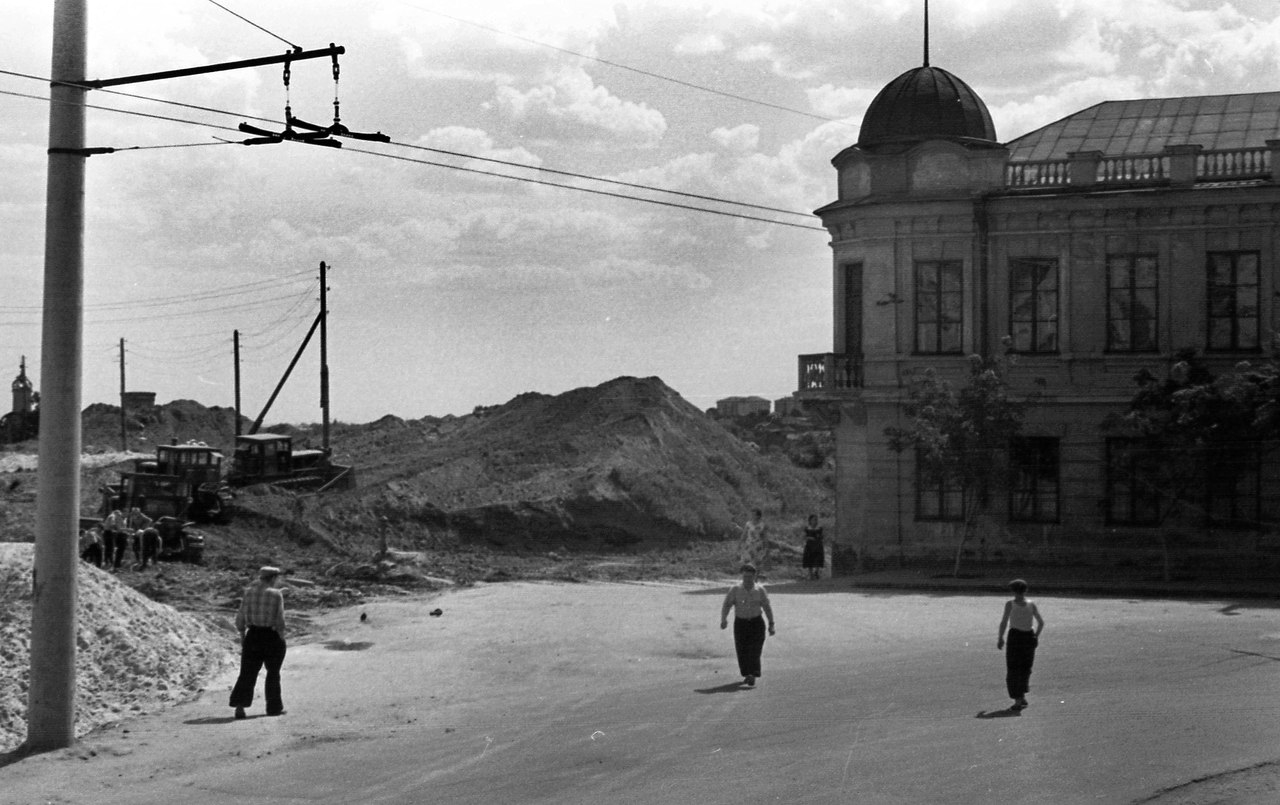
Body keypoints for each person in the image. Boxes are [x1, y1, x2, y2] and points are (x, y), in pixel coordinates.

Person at [229, 566, 288, 719]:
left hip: (253, 635)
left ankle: (240, 706)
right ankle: (273, 708)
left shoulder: (248, 593)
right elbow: (280, 620)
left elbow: (240, 617)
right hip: (271, 636)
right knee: (273, 673)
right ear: (273, 578)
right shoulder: (276, 595)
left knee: (247, 673)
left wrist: (243, 634)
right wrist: (281, 636)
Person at [720, 563, 775, 687]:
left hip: (756, 623)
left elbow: (767, 607)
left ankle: (753, 674)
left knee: (755, 649)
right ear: (742, 576)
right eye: (745, 577)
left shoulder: (760, 590)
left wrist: (771, 624)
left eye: (750, 577)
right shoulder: (735, 590)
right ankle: (747, 673)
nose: (747, 580)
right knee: (742, 650)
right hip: (741, 623)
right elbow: (727, 604)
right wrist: (724, 619)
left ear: (754, 577)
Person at [996, 578, 1045, 710]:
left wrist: (1000, 637)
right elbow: (1041, 623)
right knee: (1025, 668)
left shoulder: (1010, 604)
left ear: (1013, 591)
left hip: (1015, 637)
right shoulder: (1031, 604)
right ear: (1025, 590)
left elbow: (1004, 622)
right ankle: (1022, 695)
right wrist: (1035, 636)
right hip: (1028, 636)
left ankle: (1017, 699)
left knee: (1013, 668)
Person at [801, 514, 825, 580]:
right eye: (814, 520)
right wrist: (809, 538)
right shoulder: (807, 529)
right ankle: (811, 574)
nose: (815, 521)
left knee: (818, 558)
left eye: (816, 520)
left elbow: (822, 536)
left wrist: (820, 538)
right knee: (809, 559)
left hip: (818, 545)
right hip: (809, 545)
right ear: (810, 521)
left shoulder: (820, 528)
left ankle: (816, 572)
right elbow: (804, 536)